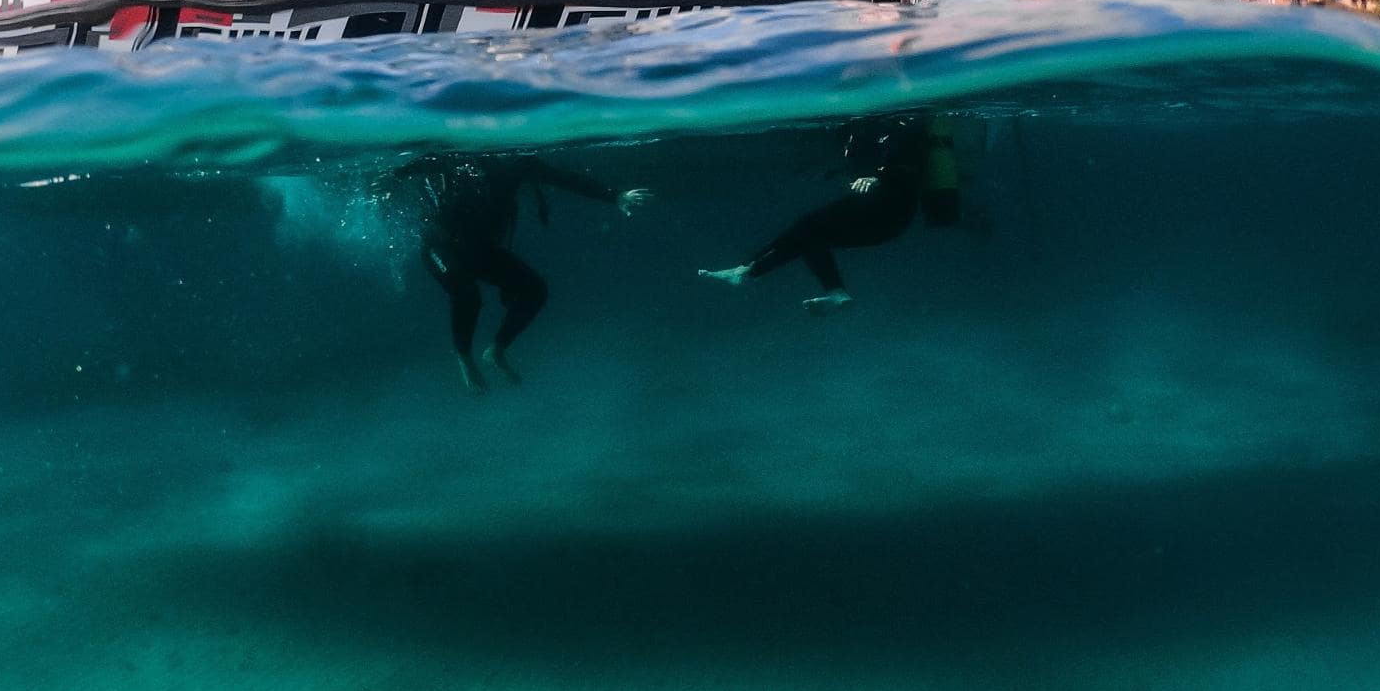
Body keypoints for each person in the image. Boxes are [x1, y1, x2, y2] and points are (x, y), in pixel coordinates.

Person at [394, 153, 652, 393]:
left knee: (536, 290)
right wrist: (391, 176)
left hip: (481, 251)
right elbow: (416, 163)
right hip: (440, 247)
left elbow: (565, 179)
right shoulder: (455, 156)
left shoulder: (519, 161)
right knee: (467, 295)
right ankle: (464, 357)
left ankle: (496, 350)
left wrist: (616, 196)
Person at [699, 113, 958, 313]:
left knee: (808, 225)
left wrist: (880, 178)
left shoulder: (905, 127)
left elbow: (909, 165)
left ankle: (745, 270)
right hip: (879, 219)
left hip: (891, 215)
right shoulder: (867, 131)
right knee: (811, 237)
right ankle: (832, 292)